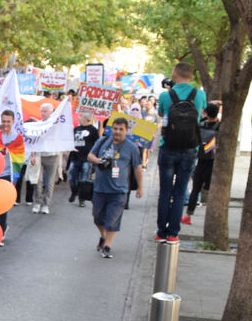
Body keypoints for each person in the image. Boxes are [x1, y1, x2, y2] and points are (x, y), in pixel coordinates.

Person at [156, 61, 207, 241]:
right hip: (189, 148)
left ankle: (161, 231)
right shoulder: (200, 94)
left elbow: (162, 114)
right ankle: (173, 234)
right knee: (180, 192)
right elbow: (200, 113)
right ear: (192, 76)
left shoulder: (165, 95)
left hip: (168, 147)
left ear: (175, 74)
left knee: (165, 192)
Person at [87, 117, 143, 258]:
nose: (117, 132)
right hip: (100, 188)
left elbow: (137, 167)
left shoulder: (132, 147)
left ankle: (107, 246)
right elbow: (90, 155)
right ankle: (103, 236)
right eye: (115, 129)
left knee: (111, 220)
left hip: (119, 190)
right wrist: (97, 160)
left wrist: (140, 187)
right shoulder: (103, 141)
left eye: (121, 129)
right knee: (97, 218)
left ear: (127, 130)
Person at [0, 110, 25, 243]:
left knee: (1, 204)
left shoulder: (18, 138)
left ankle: (1, 231)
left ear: (13, 122)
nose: (5, 124)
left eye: (8, 121)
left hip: (8, 174)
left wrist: (9, 152)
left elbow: (20, 156)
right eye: (3, 121)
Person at [182, 102, 220, 224]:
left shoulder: (200, 125)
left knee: (196, 189)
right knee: (214, 190)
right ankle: (216, 219)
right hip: (215, 162)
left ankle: (188, 216)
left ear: (206, 113)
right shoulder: (221, 127)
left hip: (201, 160)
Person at [32, 102, 60, 214]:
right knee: (37, 180)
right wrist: (33, 154)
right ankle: (37, 202)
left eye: (45, 111)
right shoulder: (38, 125)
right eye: (41, 111)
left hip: (53, 156)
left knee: (49, 181)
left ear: (51, 112)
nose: (42, 113)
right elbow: (32, 140)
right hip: (39, 155)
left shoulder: (56, 124)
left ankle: (46, 204)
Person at [68, 111, 99, 207]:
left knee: (83, 179)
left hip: (86, 159)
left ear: (87, 119)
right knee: (72, 177)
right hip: (75, 157)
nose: (79, 118)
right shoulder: (76, 129)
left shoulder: (93, 130)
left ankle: (82, 199)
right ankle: (74, 191)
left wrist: (94, 157)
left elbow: (97, 143)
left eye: (81, 116)